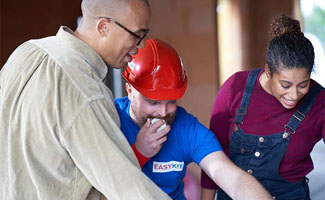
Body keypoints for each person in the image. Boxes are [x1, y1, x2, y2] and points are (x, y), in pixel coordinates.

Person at [0, 0, 171, 199]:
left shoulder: (27, 52)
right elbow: (129, 189)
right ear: (104, 27)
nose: (140, 46)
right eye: (137, 35)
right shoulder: (86, 91)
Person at [114, 38, 273, 200]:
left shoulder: (185, 128)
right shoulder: (110, 118)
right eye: (153, 102)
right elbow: (97, 185)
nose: (163, 112)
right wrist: (139, 153)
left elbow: (229, 175)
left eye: (171, 101)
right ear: (130, 91)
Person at [201, 15, 325, 200]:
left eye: (303, 85)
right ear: (268, 71)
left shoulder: (320, 101)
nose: (294, 95)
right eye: (285, 85)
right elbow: (212, 155)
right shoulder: (235, 88)